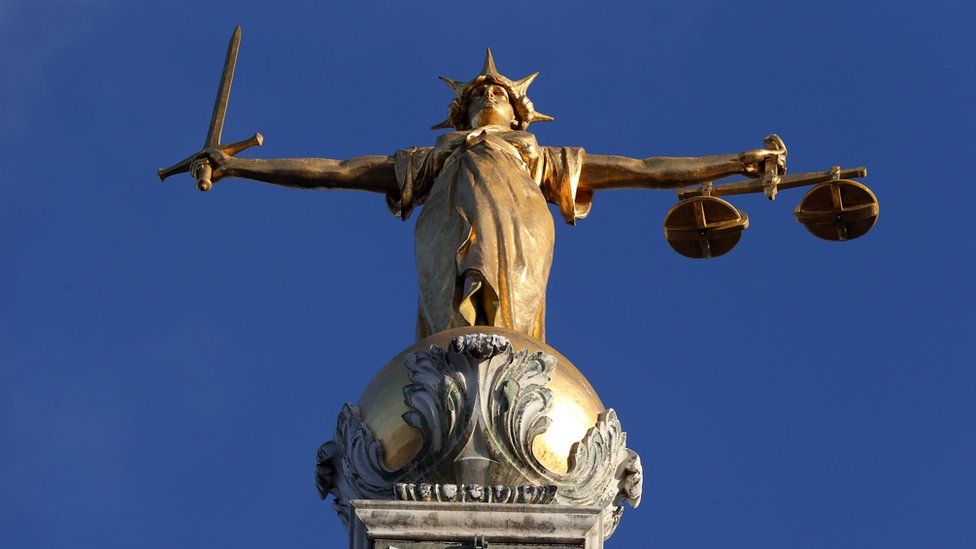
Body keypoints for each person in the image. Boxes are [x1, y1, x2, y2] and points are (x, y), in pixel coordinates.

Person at [196, 50, 786, 342]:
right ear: (459, 112)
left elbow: (642, 167)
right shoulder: (433, 158)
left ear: (520, 111)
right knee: (452, 319)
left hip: (522, 226)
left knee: (511, 331)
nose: (486, 95)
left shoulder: (536, 158)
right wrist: (239, 169)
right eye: (477, 93)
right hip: (447, 227)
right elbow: (338, 170)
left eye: (497, 92)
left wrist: (737, 160)